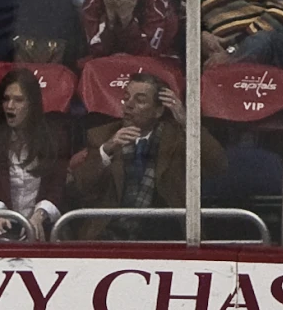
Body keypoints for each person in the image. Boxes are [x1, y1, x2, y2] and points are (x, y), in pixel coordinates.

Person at [64, 68, 224, 224]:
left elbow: (218, 165)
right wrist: (106, 150)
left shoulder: (179, 138)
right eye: (126, 98)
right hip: (111, 230)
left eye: (140, 100)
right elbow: (81, 189)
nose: (129, 105)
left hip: (167, 230)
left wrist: (186, 121)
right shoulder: (102, 136)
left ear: (158, 111)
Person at [0, 65, 68, 240]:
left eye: (18, 100)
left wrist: (39, 216)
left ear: (32, 104)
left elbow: (56, 188)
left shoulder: (54, 138)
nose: (10, 106)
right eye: (6, 99)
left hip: (39, 232)